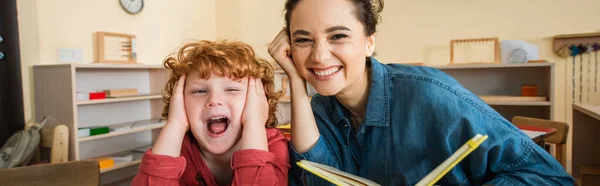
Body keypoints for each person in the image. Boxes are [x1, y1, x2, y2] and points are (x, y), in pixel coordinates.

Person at [268, 0, 574, 185]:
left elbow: (549, 177)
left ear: (369, 42)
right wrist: (296, 80)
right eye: (303, 40)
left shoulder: (428, 95)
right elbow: (318, 178)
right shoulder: (318, 111)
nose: (319, 56)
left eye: (338, 36)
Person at [132, 40, 290, 186]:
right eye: (199, 91)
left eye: (231, 89)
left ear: (259, 103)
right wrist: (175, 125)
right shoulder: (177, 147)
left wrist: (254, 123)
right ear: (180, 102)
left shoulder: (274, 146)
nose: (214, 100)